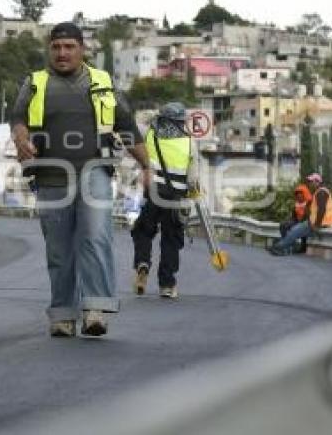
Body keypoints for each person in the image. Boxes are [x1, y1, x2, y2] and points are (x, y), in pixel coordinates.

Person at [11, 21, 150, 338]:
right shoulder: (35, 83)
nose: (62, 53)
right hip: (50, 175)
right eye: (56, 47)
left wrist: (146, 166)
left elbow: (126, 125)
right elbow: (18, 119)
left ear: (81, 49)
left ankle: (95, 310)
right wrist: (21, 139)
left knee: (95, 237)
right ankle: (62, 314)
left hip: (95, 172)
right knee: (59, 249)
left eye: (69, 47)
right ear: (49, 49)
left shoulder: (102, 82)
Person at [130, 102, 198, 300]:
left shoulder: (149, 135)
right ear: (180, 121)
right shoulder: (189, 143)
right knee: (171, 239)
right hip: (176, 200)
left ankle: (142, 262)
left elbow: (135, 124)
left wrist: (153, 114)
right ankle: (167, 284)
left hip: (153, 194)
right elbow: (192, 180)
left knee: (143, 231)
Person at [270, 173, 332, 256]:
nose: (309, 184)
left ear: (317, 182)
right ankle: (282, 248)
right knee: (293, 231)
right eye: (309, 182)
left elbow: (321, 210)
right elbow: (311, 209)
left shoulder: (321, 192)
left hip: (319, 223)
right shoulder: (317, 193)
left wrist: (316, 225)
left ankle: (278, 248)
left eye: (311, 182)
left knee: (294, 232)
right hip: (315, 222)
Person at [279, 183, 312, 253]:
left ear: (304, 195)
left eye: (300, 195)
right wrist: (289, 221)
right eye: (297, 195)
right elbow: (293, 216)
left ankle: (303, 247)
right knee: (283, 225)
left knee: (302, 227)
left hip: (306, 221)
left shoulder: (309, 203)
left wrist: (301, 222)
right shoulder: (296, 204)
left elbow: (308, 215)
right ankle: (287, 243)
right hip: (297, 220)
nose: (299, 197)